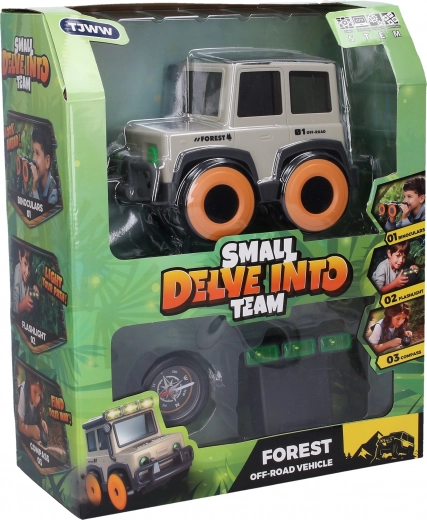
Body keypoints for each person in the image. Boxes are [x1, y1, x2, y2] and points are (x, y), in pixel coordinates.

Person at [29, 125, 58, 205]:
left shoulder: (53, 194)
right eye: (33, 152)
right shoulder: (38, 183)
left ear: (47, 162)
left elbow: (39, 212)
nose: (33, 159)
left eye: (37, 153)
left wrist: (34, 190)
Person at [17, 371, 48, 442]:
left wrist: (41, 422)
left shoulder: (38, 402)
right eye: (35, 392)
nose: (37, 400)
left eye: (39, 395)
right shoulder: (23, 391)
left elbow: (36, 418)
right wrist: (30, 430)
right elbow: (20, 425)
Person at [12, 244, 39, 314]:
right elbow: (14, 307)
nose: (27, 272)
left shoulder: (29, 275)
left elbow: (31, 285)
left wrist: (34, 287)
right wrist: (24, 304)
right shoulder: (17, 270)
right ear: (20, 256)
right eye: (25, 263)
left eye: (29, 268)